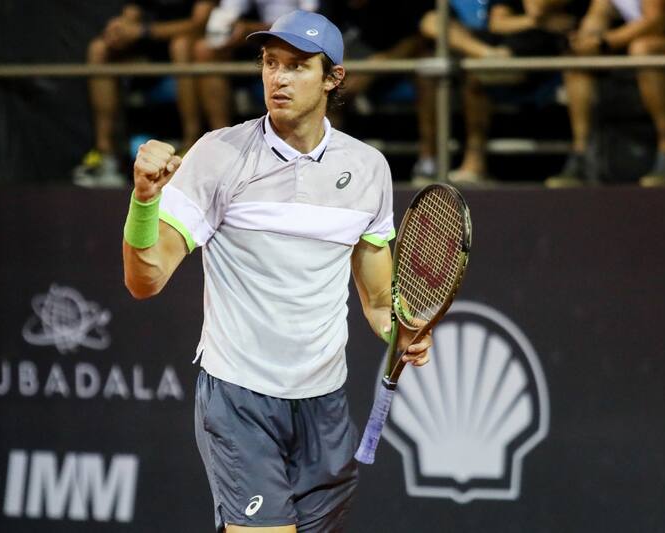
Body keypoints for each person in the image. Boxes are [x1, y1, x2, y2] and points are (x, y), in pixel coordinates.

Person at [121, 10, 433, 532]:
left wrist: (399, 332)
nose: (278, 77)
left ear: (333, 78)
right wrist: (144, 201)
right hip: (239, 398)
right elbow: (144, 280)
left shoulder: (368, 169)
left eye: (296, 66)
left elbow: (381, 302)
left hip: (324, 405)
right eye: (270, 62)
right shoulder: (218, 154)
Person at [420, 0, 577, 185]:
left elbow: (536, 8)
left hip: (532, 54)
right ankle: (487, 55)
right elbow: (497, 23)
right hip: (495, 50)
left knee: (474, 76)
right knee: (432, 21)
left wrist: (530, 21)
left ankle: (474, 163)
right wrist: (536, 22)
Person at [73, 1, 214, 188]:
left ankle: (191, 144)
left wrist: (143, 31)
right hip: (149, 49)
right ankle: (106, 154)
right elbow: (131, 15)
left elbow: (199, 24)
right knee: (99, 48)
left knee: (181, 45)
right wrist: (119, 29)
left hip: (187, 47)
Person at [547, 0, 665, 187]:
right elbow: (597, 16)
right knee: (576, 58)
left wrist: (604, 42)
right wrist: (584, 41)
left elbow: (656, 21)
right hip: (635, 40)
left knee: (644, 49)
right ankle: (582, 153)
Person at [327, 0, 439, 184]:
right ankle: (330, 165)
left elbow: (418, 39)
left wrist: (383, 61)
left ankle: (428, 163)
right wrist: (343, 67)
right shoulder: (332, 6)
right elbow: (329, 40)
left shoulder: (402, 6)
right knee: (328, 85)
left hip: (402, 63)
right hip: (356, 64)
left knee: (429, 73)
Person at [194, 0, 320, 131]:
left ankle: (299, 133)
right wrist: (228, 28)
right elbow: (228, 12)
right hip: (259, 38)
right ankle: (220, 134)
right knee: (205, 49)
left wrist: (255, 28)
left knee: (293, 50)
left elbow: (312, 21)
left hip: (301, 37)